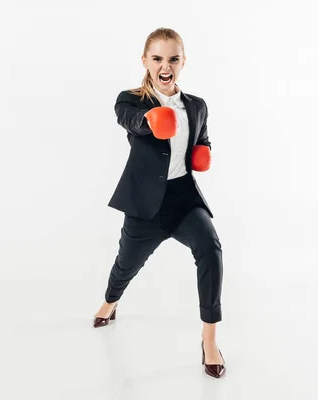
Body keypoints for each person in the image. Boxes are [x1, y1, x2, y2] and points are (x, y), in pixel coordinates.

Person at [92, 27, 226, 379]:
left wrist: (204, 150)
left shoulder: (196, 105)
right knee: (126, 265)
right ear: (145, 61)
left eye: (173, 58)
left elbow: (203, 134)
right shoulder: (131, 99)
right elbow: (130, 121)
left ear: (183, 62)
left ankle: (209, 339)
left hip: (183, 199)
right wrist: (150, 121)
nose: (165, 66)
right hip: (144, 205)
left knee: (211, 249)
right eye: (157, 58)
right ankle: (110, 302)